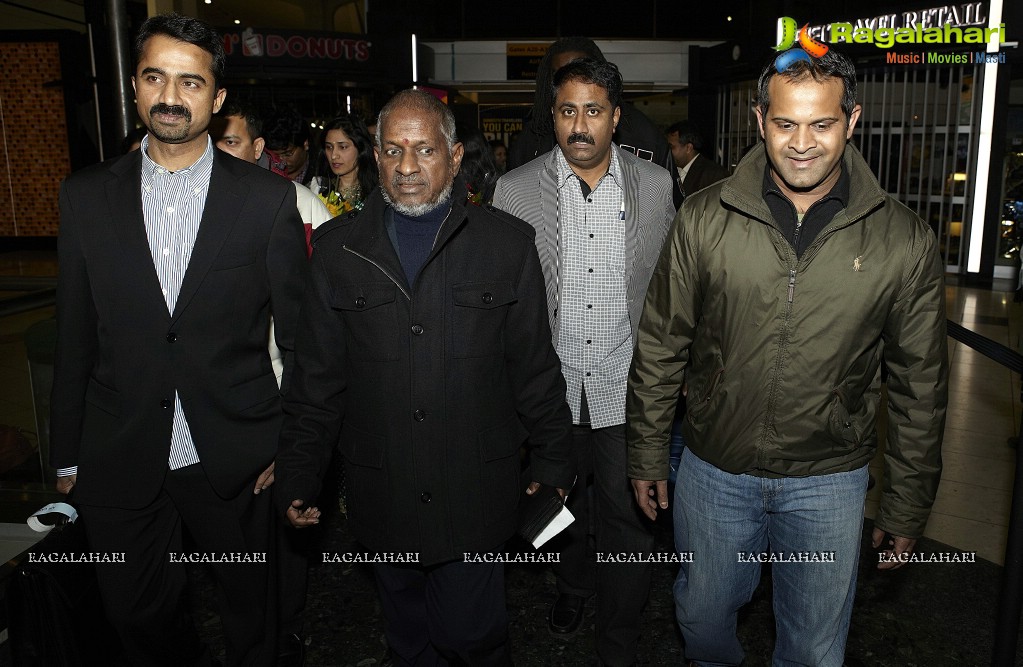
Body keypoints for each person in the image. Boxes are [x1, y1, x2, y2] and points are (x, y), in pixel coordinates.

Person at [626, 49, 948, 666]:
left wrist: (907, 501)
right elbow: (662, 342)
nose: (802, 143)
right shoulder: (703, 216)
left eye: (822, 124)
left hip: (829, 479)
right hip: (715, 469)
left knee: (814, 650)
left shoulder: (902, 240)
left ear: (851, 121)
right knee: (700, 618)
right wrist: (646, 450)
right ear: (759, 120)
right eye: (785, 123)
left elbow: (919, 387)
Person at [274, 88, 575, 665]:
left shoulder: (507, 245)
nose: (407, 167)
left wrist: (554, 460)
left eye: (424, 150)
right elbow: (316, 384)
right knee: (408, 640)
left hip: (475, 489)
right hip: (383, 487)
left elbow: (534, 367)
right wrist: (298, 473)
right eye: (392, 150)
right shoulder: (338, 252)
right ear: (376, 158)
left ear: (456, 156)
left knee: (472, 636)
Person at [50, 13, 308, 666]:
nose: (171, 95)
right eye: (156, 77)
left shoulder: (264, 201)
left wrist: (294, 443)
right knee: (135, 614)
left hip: (236, 455)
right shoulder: (84, 198)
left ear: (216, 100)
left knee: (254, 615)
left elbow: (305, 339)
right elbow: (75, 332)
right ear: (134, 88)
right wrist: (65, 454)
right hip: (119, 450)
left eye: (190, 82)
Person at [493, 58, 675, 666]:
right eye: (568, 110)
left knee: (628, 518)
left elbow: (669, 291)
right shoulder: (515, 191)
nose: (580, 125)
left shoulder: (653, 187)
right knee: (558, 507)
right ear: (553, 116)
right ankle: (571, 587)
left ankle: (620, 635)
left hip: (628, 387)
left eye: (593, 111)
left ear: (616, 118)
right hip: (552, 389)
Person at [507, 36, 668, 170]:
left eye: (579, 70)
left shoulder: (645, 136)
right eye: (559, 75)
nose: (570, 82)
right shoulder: (531, 141)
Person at [307, 113, 378, 213]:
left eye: (343, 147)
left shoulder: (377, 193)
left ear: (361, 148)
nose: (333, 155)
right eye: (329, 147)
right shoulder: (317, 188)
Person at [664, 120, 729, 209]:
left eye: (671, 147)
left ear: (688, 148)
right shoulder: (669, 170)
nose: (668, 152)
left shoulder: (714, 174)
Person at [264, 105, 314, 185]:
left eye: (287, 154)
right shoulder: (263, 172)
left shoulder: (323, 173)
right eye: (275, 155)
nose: (281, 162)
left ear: (305, 144)